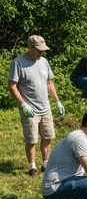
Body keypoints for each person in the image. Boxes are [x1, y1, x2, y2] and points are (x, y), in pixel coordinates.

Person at [8, 35, 65, 178]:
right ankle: (32, 167)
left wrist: (57, 101)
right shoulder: (18, 63)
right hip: (30, 110)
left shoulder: (44, 62)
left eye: (43, 50)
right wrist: (23, 105)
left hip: (45, 108)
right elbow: (12, 85)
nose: (42, 53)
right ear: (30, 47)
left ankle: (46, 164)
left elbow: (49, 83)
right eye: (39, 50)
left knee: (47, 137)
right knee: (31, 139)